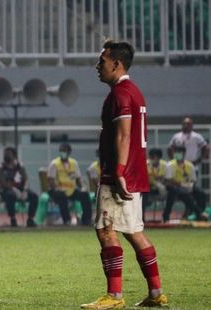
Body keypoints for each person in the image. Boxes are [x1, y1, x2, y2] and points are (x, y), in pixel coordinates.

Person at [81, 40, 167, 309]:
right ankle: (156, 294)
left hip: (120, 175)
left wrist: (117, 171)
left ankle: (114, 296)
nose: (98, 66)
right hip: (135, 174)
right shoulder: (134, 92)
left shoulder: (120, 94)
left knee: (106, 231)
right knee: (134, 232)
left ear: (117, 64)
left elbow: (124, 133)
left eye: (102, 61)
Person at [46, 143, 92, 225]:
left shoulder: (74, 163)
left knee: (84, 195)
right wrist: (57, 188)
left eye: (64, 151)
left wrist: (82, 187)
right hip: (56, 190)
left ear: (69, 152)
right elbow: (50, 180)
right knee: (62, 196)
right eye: (61, 151)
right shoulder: (54, 164)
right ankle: (66, 220)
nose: (62, 152)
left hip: (71, 190)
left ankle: (86, 219)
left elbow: (78, 179)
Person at [163, 145, 208, 222]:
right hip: (173, 188)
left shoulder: (189, 165)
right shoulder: (170, 165)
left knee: (201, 193)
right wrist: (181, 184)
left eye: (179, 152)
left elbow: (193, 180)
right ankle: (199, 213)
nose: (177, 154)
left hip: (187, 187)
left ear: (184, 153)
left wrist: (188, 185)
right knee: (179, 193)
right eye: (176, 152)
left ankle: (199, 214)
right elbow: (168, 181)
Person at [0, 147, 38, 227]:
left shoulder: (20, 167)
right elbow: (2, 183)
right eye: (5, 154)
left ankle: (30, 219)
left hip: (21, 189)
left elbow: (26, 180)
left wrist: (25, 190)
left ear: (14, 156)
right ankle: (13, 219)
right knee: (10, 195)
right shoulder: (0, 168)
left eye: (8, 154)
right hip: (6, 190)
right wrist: (13, 189)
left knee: (34, 196)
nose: (6, 156)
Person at [144, 148, 167, 216]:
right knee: (144, 191)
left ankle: (166, 216)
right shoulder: (146, 164)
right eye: (152, 157)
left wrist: (162, 185)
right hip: (149, 188)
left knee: (171, 190)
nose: (154, 159)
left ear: (159, 157)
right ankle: (142, 216)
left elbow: (168, 179)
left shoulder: (165, 165)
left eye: (156, 157)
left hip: (162, 188)